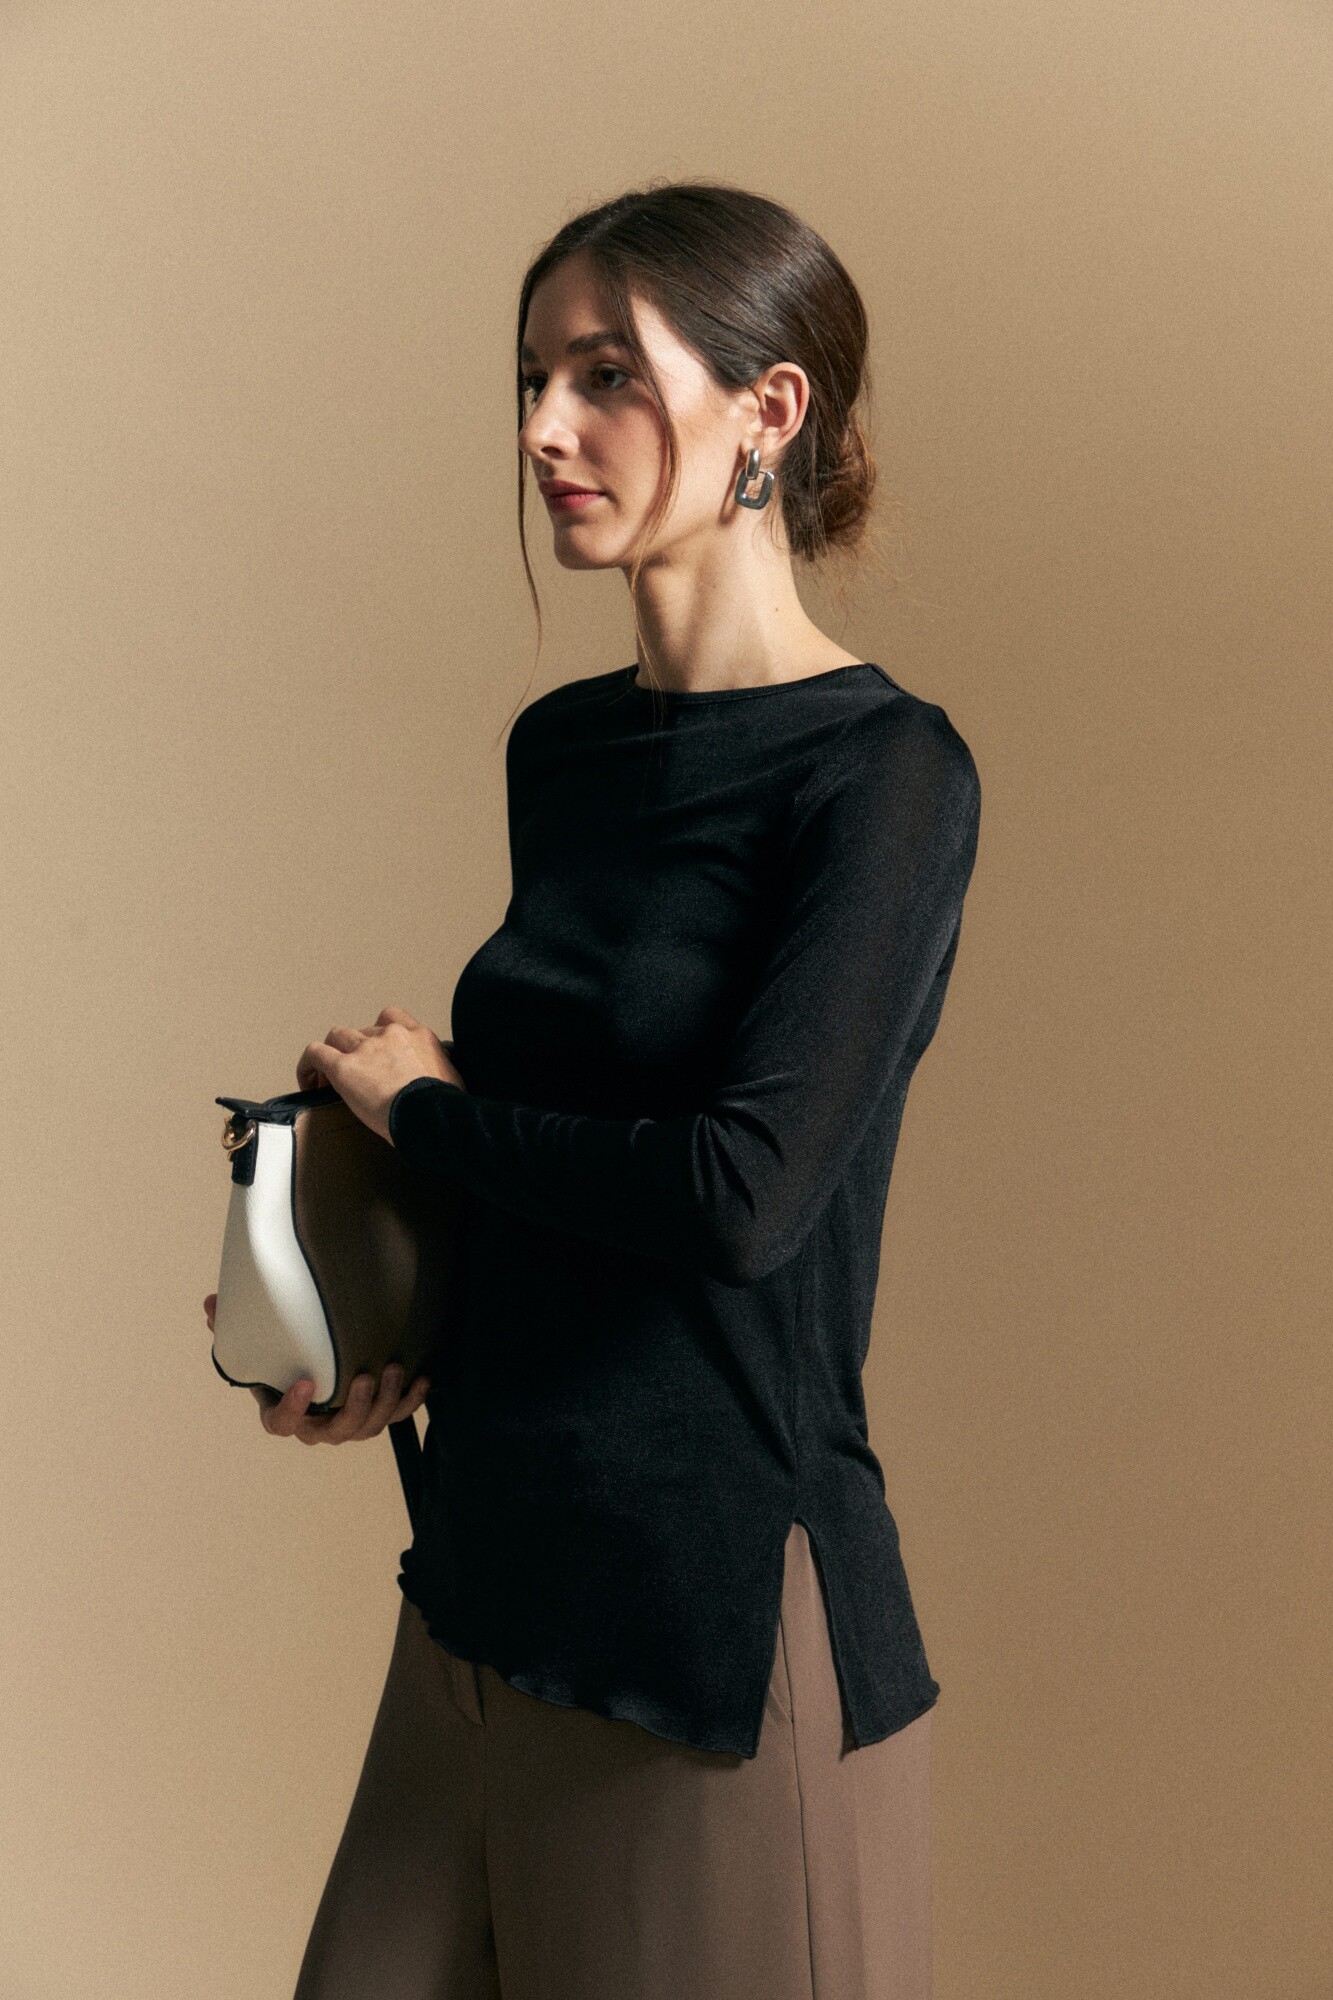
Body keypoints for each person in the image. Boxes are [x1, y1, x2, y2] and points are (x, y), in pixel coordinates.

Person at [204, 179, 982, 2000]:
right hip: (481, 1580)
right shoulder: (561, 756)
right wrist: (397, 1331)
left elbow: (739, 1197)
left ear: (767, 412)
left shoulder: (882, 778)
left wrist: (424, 1113)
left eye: (606, 375)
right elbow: (567, 1160)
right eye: (533, 378)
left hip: (703, 1635)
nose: (544, 429)